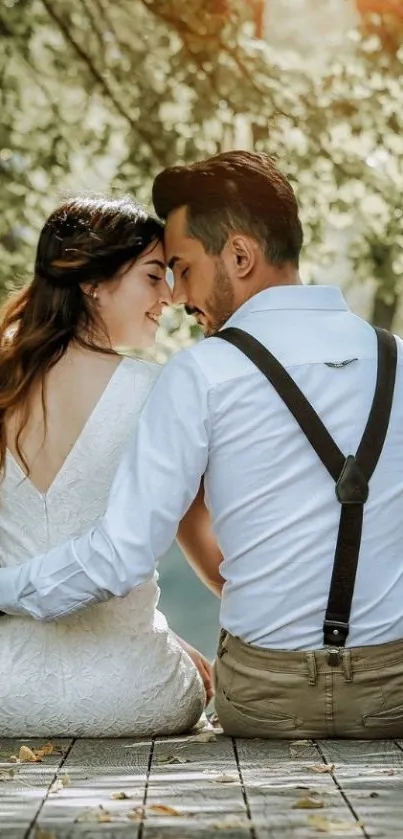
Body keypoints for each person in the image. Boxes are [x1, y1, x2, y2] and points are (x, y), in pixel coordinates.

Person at [1, 151, 403, 739]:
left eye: (182, 267)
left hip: (265, 700)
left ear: (239, 256)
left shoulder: (202, 374)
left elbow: (129, 556)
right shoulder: (396, 360)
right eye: (159, 274)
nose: (177, 296)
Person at [0, 194, 211, 737]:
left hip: (7, 690)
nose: (169, 296)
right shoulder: (159, 390)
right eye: (152, 275)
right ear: (92, 281)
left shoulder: (5, 385)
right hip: (133, 694)